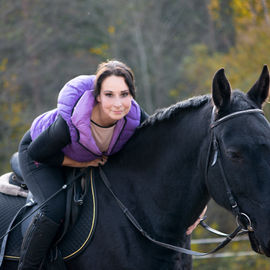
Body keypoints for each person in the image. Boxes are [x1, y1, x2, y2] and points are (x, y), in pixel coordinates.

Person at [18, 60, 148, 269]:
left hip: (82, 159)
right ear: (97, 96)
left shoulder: (135, 119)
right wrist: (82, 162)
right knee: (54, 208)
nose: (118, 103)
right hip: (40, 154)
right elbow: (37, 153)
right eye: (109, 95)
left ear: (132, 95)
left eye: (124, 94)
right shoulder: (70, 121)